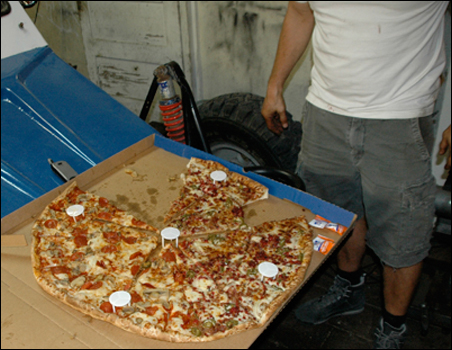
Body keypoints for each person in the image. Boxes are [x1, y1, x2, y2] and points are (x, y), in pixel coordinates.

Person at [261, 2, 451, 349]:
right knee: (337, 213)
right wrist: (275, 85)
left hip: (400, 115)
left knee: (403, 231)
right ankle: (349, 286)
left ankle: (393, 328)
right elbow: (301, 12)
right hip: (324, 111)